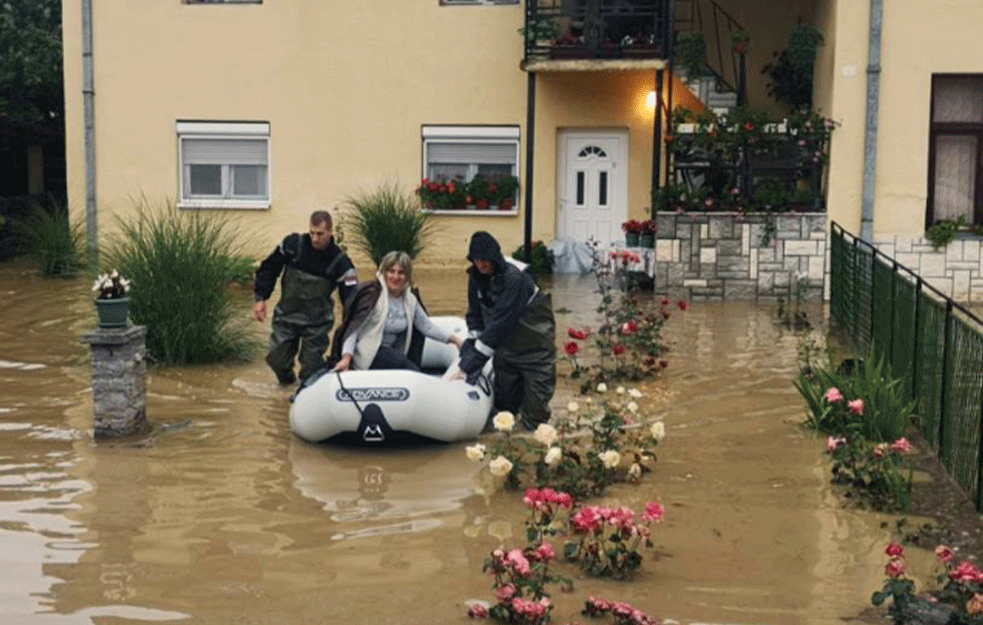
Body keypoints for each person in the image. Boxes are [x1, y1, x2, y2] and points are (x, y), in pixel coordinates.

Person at [456, 231, 557, 430]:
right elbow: (475, 316)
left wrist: (467, 366)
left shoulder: (515, 279)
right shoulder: (475, 278)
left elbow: (501, 325)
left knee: (535, 421)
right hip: (506, 357)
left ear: (495, 256)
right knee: (503, 415)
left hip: (536, 357)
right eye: (477, 260)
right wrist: (469, 348)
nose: (481, 264)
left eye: (485, 259)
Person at [253, 210, 357, 384]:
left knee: (312, 371)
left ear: (330, 233)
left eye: (320, 234)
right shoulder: (292, 245)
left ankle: (306, 392)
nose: (315, 238)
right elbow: (269, 268)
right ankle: (286, 389)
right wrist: (261, 298)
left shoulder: (342, 263)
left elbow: (351, 299)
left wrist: (350, 327)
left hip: (317, 326)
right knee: (276, 360)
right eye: (312, 233)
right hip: (286, 318)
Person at [331, 251, 463, 372]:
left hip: (393, 353)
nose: (395, 276)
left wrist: (454, 340)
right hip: (369, 354)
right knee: (408, 367)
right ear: (384, 272)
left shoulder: (410, 299)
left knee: (400, 359)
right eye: (391, 271)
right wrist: (346, 358)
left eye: (401, 272)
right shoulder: (372, 296)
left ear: (407, 276)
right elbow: (354, 330)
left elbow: (426, 326)